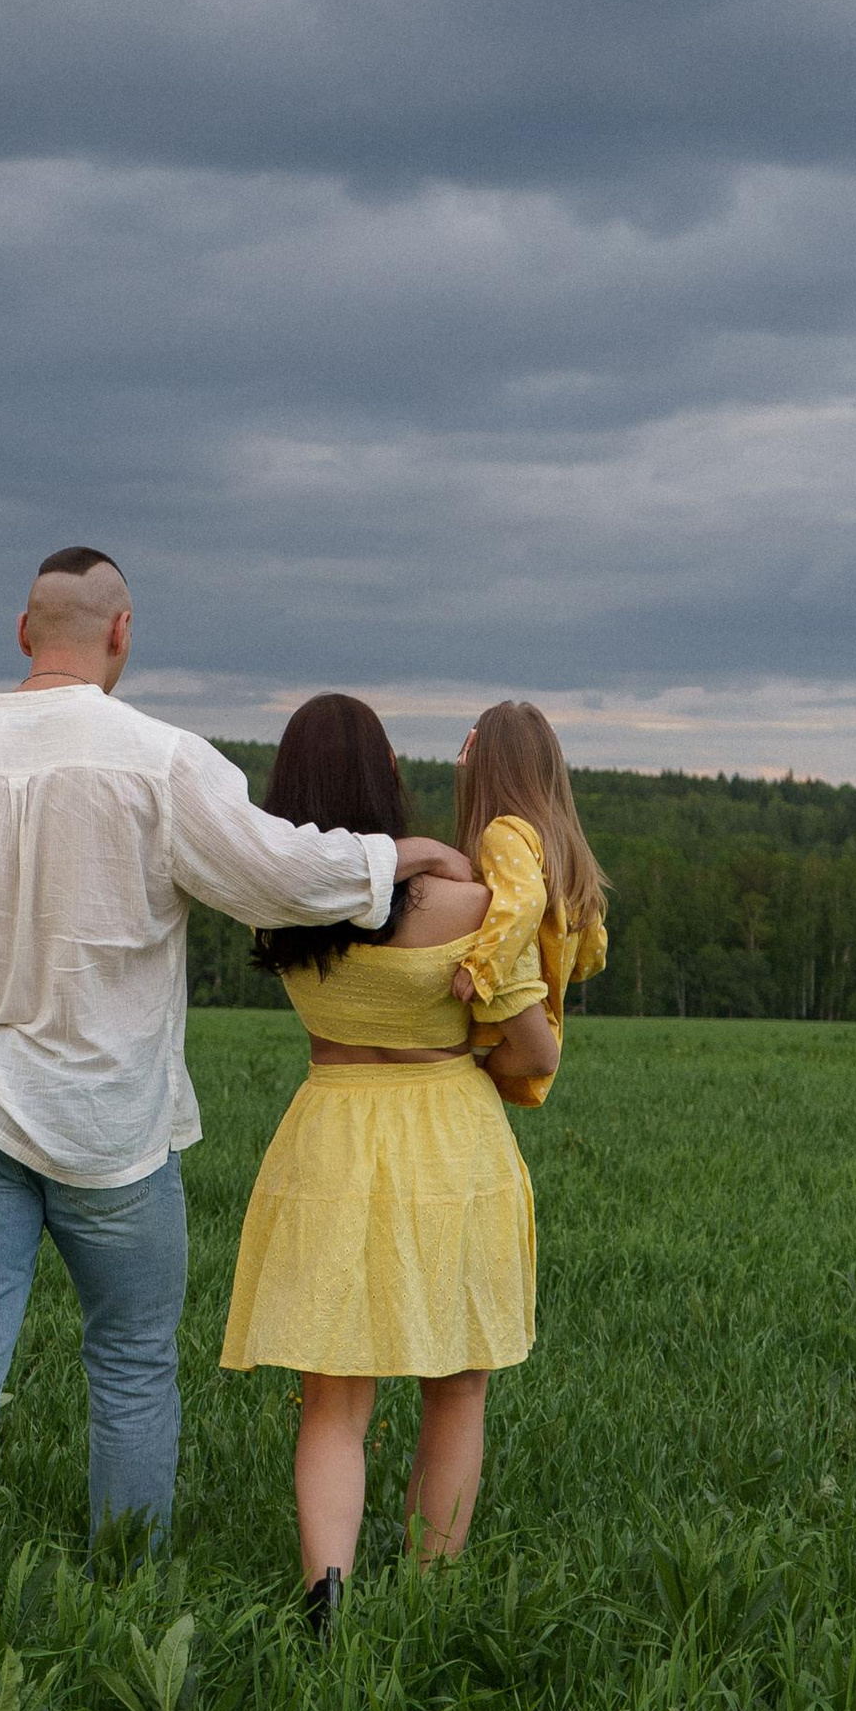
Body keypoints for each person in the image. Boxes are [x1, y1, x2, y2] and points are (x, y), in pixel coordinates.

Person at [0, 549, 461, 1595]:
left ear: (21, 631)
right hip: (108, 1118)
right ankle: (127, 1596)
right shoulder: (160, 760)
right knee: (129, 1366)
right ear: (120, 631)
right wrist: (397, 856)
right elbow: (277, 873)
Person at [215, 692, 596, 1628]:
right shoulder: (469, 906)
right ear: (386, 777)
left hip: (329, 1134)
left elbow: (319, 882)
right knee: (456, 1387)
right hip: (446, 1143)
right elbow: (535, 1053)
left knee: (333, 1402)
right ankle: (431, 1599)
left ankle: (325, 1596)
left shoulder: (277, 917)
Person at [444, 700, 610, 1106]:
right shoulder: (565, 846)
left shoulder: (502, 832)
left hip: (498, 1020)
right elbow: (592, 954)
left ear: (486, 767)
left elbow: (524, 900)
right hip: (541, 1016)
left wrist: (481, 969)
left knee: (471, 1092)